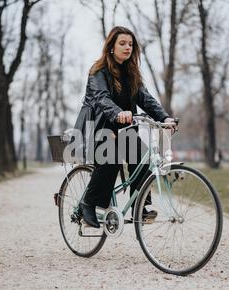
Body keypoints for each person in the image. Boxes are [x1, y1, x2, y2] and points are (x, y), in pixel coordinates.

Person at [74, 26, 176, 228]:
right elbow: (102, 99)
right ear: (111, 46)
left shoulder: (131, 74)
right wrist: (117, 113)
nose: (127, 47)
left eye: (130, 44)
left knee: (143, 158)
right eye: (122, 43)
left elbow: (146, 99)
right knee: (110, 157)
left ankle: (139, 205)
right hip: (98, 127)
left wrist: (164, 118)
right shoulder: (98, 72)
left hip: (123, 129)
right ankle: (88, 202)